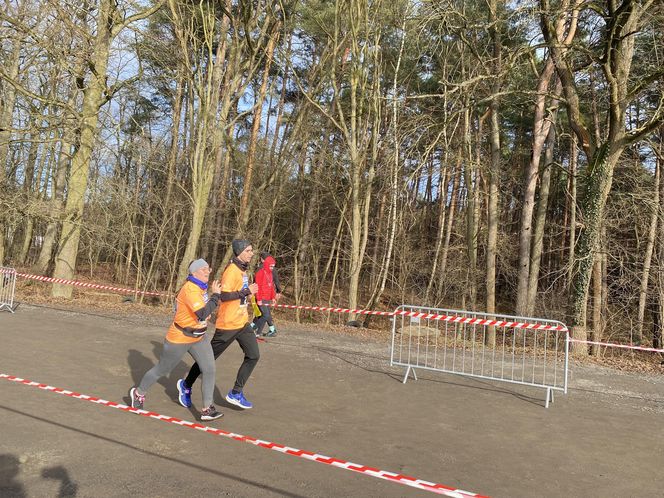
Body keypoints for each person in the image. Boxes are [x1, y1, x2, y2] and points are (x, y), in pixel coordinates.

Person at [128, 259, 223, 421]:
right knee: (161, 370)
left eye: (209, 268)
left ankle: (207, 408)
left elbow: (204, 313)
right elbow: (201, 313)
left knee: (209, 369)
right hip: (180, 338)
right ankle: (138, 393)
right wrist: (216, 297)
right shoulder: (190, 289)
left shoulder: (201, 288)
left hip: (199, 337)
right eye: (204, 269)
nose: (208, 271)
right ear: (194, 272)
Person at [177, 239, 259, 410]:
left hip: (242, 323)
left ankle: (236, 392)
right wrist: (246, 291)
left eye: (251, 250)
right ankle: (185, 385)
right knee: (207, 361)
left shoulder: (243, 271)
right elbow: (224, 296)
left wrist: (247, 296)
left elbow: (239, 295)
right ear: (240, 252)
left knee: (253, 355)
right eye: (248, 250)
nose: (251, 253)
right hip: (228, 325)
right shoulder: (232, 271)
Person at [251, 252, 279, 337]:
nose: (272, 268)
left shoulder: (270, 274)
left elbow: (271, 287)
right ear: (266, 264)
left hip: (267, 298)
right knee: (265, 315)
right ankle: (254, 330)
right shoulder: (260, 272)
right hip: (261, 297)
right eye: (271, 266)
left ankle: (257, 332)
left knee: (264, 315)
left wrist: (273, 298)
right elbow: (257, 286)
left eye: (273, 266)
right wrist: (258, 299)